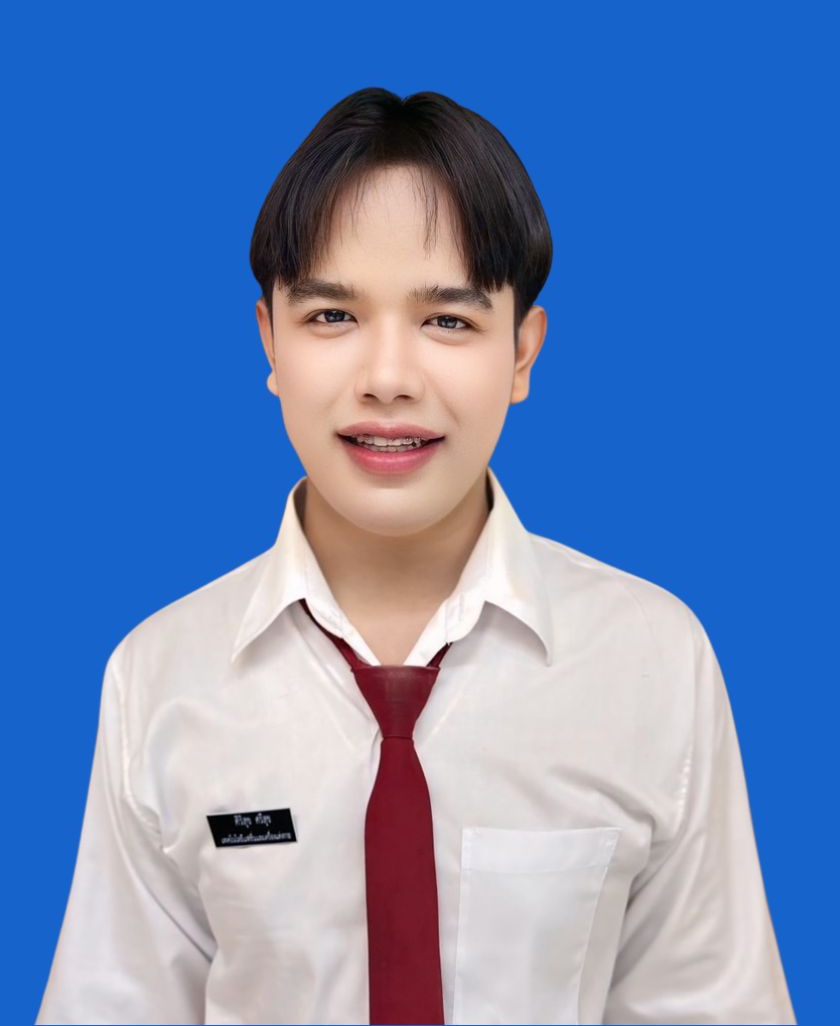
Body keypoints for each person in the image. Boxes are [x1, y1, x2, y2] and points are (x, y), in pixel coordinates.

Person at [35, 87, 796, 1025]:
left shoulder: (651, 659)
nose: (389, 379)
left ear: (523, 352)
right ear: (269, 339)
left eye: (448, 321)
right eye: (331, 317)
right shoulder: (160, 679)